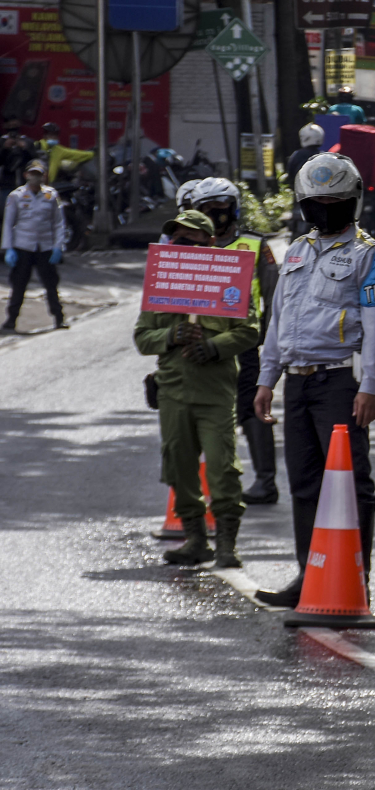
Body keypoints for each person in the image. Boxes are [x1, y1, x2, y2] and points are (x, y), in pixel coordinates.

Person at [252, 152, 375, 608]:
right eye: (315, 204)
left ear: (352, 202)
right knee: (305, 483)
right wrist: (266, 379)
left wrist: (369, 386)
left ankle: (357, 577)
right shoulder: (296, 250)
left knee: (352, 483)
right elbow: (279, 319)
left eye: (334, 203)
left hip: (337, 383)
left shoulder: (369, 256)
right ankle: (307, 576)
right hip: (296, 383)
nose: (324, 211)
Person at [134, 210, 260, 567]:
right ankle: (195, 540)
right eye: (175, 240)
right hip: (173, 390)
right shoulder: (162, 284)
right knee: (179, 466)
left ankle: (226, 545)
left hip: (215, 393)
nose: (180, 246)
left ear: (210, 243)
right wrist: (170, 336)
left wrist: (214, 346)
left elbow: (250, 331)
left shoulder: (230, 281)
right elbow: (142, 337)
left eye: (189, 240)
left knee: (222, 468)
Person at [191, 176, 281, 506]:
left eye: (221, 208)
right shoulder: (189, 248)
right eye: (207, 209)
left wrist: (271, 341)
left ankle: (265, 481)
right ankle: (200, 481)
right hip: (200, 342)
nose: (215, 215)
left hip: (245, 342)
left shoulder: (256, 245)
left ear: (234, 209)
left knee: (251, 408)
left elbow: (273, 296)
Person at [2, 160, 66, 332]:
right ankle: (11, 321)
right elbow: (8, 223)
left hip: (45, 247)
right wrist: (8, 248)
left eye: (39, 174)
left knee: (51, 285)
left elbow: (58, 223)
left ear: (44, 176)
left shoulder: (51, 195)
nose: (36, 178)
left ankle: (59, 319)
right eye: (33, 174)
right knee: (19, 284)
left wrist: (58, 247)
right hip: (23, 246)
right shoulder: (16, 196)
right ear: (26, 175)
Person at [0, 120, 36, 200]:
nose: (13, 129)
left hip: (23, 183)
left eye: (15, 125)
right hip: (5, 183)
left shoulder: (28, 142)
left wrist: (24, 148)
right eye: (10, 126)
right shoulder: (2, 141)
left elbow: (33, 160)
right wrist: (5, 149)